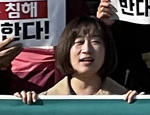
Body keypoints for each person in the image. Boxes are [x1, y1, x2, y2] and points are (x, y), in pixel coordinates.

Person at [11, 19, 142, 102]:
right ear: (66, 50)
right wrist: (22, 104)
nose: (87, 49)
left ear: (107, 50)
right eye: (79, 42)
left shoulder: (125, 99)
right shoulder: (44, 100)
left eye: (96, 42)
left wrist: (140, 104)